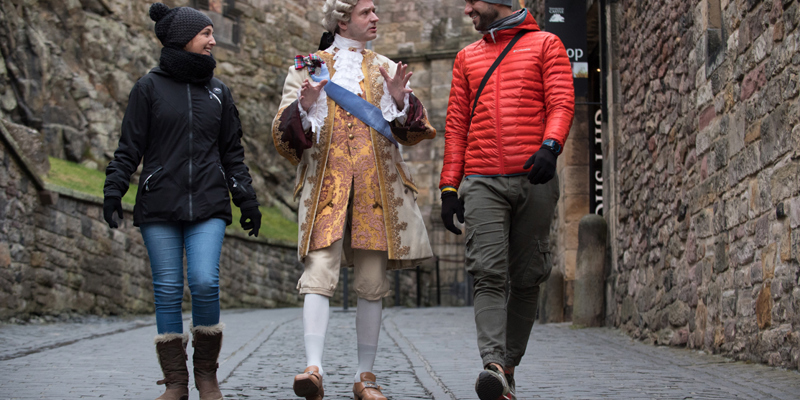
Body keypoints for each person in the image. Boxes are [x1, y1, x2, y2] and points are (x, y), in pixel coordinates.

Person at [272, 0, 436, 398]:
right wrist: (305, 105)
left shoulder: (388, 68)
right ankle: (314, 368)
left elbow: (415, 132)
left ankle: (365, 376)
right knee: (318, 274)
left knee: (371, 282)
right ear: (343, 19)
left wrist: (400, 101)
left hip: (375, 188)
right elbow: (281, 136)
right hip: (326, 186)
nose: (376, 18)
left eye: (375, 11)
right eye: (367, 12)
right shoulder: (308, 66)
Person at [102, 3, 261, 400]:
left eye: (212, 33)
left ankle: (206, 375)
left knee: (205, 282)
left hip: (208, 202)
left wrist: (247, 200)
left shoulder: (218, 91)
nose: (212, 39)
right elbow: (129, 148)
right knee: (168, 289)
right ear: (182, 38)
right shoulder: (148, 88)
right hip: (159, 205)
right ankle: (176, 383)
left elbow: (232, 154)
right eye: (205, 33)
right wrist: (113, 190)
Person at [440, 1, 574, 399]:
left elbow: (562, 102)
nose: (467, 11)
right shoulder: (467, 57)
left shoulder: (547, 44)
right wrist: (450, 187)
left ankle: (507, 368)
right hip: (482, 179)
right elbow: (456, 125)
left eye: (472, 3)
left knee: (529, 275)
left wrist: (551, 147)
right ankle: (494, 365)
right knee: (487, 272)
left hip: (535, 176)